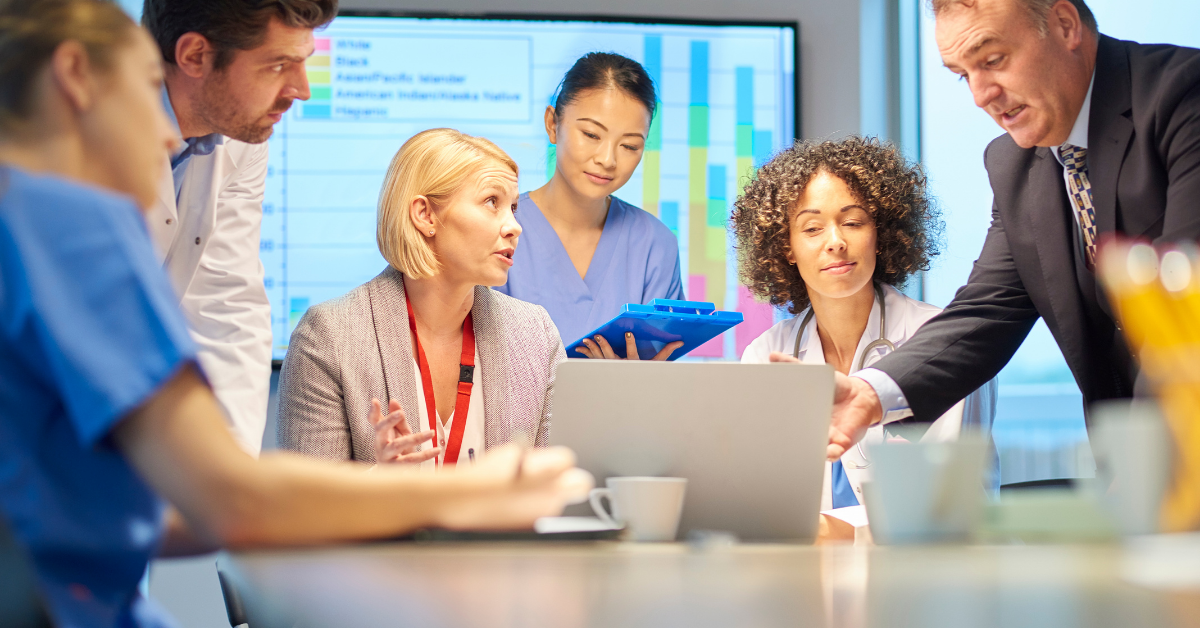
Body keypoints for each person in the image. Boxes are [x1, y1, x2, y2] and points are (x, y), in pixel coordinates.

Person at [0, 4, 588, 627]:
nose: (171, 136)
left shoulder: (25, 221)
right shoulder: (69, 226)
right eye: (149, 89)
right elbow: (231, 503)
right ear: (74, 75)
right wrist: (472, 492)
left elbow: (150, 514)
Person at [818, 0, 1200, 460]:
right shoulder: (1015, 163)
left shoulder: (1184, 96)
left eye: (993, 60)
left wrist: (1151, 463)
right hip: (1144, 474)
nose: (980, 94)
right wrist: (871, 392)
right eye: (963, 74)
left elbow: (1184, 300)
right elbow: (988, 309)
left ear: (1063, 25)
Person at [734, 137, 998, 512]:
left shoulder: (942, 341)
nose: (836, 242)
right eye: (812, 229)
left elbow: (944, 504)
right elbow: (758, 494)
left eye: (853, 222)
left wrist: (834, 533)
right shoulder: (765, 355)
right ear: (786, 247)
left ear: (881, 233)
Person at [278, 128, 566, 467]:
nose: (514, 226)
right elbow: (308, 508)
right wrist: (377, 488)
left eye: (513, 207)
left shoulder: (535, 334)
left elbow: (559, 486)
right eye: (492, 202)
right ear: (425, 215)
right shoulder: (329, 337)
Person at [137, 0, 337, 454]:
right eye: (278, 65)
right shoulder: (77, 136)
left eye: (304, 62)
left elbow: (224, 303)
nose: (301, 90)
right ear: (194, 56)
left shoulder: (239, 133)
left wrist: (231, 468)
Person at [494, 52, 686, 360]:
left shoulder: (655, 245)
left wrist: (639, 386)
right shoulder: (497, 230)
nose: (607, 159)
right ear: (552, 124)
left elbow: (659, 384)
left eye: (629, 146)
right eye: (592, 134)